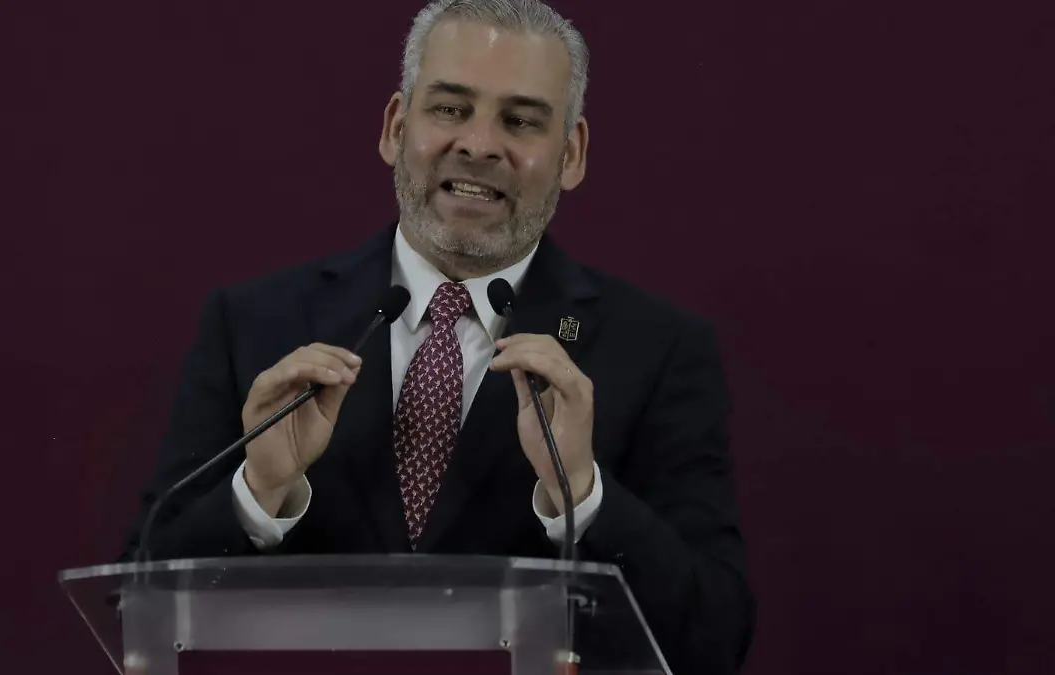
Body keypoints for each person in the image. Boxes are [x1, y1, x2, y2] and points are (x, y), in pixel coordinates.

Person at [122, 1, 755, 673]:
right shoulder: (254, 324)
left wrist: (582, 491)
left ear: (571, 154)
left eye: (520, 120)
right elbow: (137, 607)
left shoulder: (657, 349)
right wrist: (257, 492)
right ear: (396, 128)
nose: (479, 145)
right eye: (450, 109)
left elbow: (713, 637)